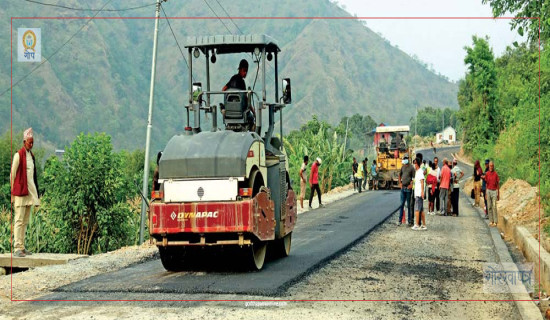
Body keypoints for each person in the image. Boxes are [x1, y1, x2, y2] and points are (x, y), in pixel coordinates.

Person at [10, 128, 41, 257]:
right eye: (29, 142)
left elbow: (33, 177)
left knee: (25, 221)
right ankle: (17, 247)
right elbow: (13, 174)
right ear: (24, 142)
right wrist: (12, 193)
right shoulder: (18, 155)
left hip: (29, 194)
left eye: (32, 142)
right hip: (20, 194)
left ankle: (22, 247)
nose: (31, 144)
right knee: (18, 220)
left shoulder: (31, 156)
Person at [221, 59, 255, 130]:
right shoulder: (242, 82)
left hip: (229, 113)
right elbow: (246, 98)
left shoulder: (233, 78)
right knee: (251, 118)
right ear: (240, 69)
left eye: (246, 71)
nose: (245, 73)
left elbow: (223, 89)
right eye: (244, 70)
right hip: (241, 113)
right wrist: (253, 111)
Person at [398, 155, 414, 226]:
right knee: (401, 204)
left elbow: (413, 177)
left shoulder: (411, 168)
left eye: (406, 158)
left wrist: (411, 185)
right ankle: (400, 220)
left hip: (408, 189)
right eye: (404, 159)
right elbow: (399, 175)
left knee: (409, 205)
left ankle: (409, 221)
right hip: (403, 188)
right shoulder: (403, 167)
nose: (405, 160)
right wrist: (400, 183)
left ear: (408, 159)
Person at [411, 158, 426, 231]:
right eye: (414, 163)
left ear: (418, 164)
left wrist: (422, 192)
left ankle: (417, 224)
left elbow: (422, 182)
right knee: (421, 209)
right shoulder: (417, 172)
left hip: (419, 193)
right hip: (417, 193)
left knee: (417, 209)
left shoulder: (420, 172)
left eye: (415, 163)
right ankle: (424, 225)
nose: (414, 164)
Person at [485, 161, 500, 227]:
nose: (491, 167)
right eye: (490, 166)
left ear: (493, 166)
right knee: (489, 206)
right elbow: (486, 184)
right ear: (489, 166)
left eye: (492, 166)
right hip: (488, 190)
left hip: (494, 191)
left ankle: (495, 221)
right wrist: (486, 193)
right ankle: (491, 221)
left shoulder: (496, 174)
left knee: (494, 206)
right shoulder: (487, 174)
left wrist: (498, 194)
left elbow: (498, 185)